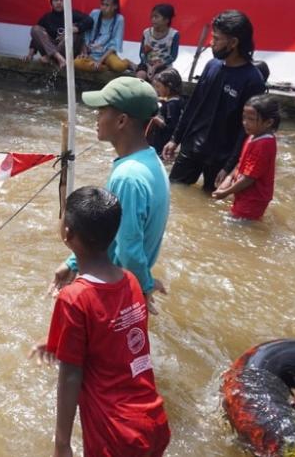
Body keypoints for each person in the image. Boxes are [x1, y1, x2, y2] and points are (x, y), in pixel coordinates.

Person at [32, 186, 171, 457]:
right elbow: (115, 336)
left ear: (67, 233)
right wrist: (54, 343)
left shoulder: (74, 298)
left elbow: (71, 375)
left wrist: (62, 444)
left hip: (115, 434)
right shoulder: (130, 280)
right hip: (152, 420)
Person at [51, 77, 170, 314]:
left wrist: (144, 288)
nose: (96, 118)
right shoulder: (149, 160)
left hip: (115, 291)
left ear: (122, 120)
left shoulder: (128, 177)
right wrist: (73, 263)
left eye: (102, 111)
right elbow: (111, 233)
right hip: (124, 282)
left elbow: (129, 247)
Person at [162, 10, 266, 192]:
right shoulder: (212, 66)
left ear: (233, 43)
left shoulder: (253, 80)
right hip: (192, 146)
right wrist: (175, 139)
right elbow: (193, 106)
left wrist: (230, 166)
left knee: (210, 200)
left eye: (217, 39)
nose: (211, 43)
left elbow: (246, 129)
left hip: (221, 157)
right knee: (174, 191)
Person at [211, 95, 279, 220]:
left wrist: (226, 192)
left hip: (254, 198)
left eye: (251, 119)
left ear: (268, 122)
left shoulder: (263, 145)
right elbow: (241, 162)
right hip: (245, 192)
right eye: (244, 118)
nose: (245, 123)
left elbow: (249, 178)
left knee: (236, 225)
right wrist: (229, 177)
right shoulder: (253, 135)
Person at [25, 0, 93, 68]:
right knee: (35, 29)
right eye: (56, 0)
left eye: (61, 0)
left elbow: (90, 20)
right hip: (52, 48)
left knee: (73, 33)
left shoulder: (72, 14)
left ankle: (51, 58)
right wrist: (30, 55)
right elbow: (36, 39)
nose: (59, 3)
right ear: (51, 2)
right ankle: (57, 57)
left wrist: (76, 28)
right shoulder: (46, 18)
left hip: (66, 50)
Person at [75, 0, 130, 73]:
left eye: (107, 5)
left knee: (118, 66)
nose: (103, 7)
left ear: (115, 6)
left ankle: (128, 62)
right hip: (92, 54)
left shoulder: (119, 19)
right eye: (102, 4)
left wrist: (100, 61)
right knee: (76, 63)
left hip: (108, 55)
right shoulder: (94, 13)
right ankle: (103, 68)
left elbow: (114, 45)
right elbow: (85, 35)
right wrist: (85, 53)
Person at [135, 4, 179, 81]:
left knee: (158, 79)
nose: (153, 19)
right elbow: (142, 53)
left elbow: (173, 56)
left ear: (166, 20)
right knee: (140, 75)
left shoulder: (174, 35)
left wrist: (156, 67)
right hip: (147, 64)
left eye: (156, 17)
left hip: (164, 66)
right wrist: (148, 66)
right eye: (152, 17)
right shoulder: (146, 33)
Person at [146, 69, 185, 156]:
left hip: (163, 144)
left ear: (168, 87)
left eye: (159, 87)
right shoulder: (179, 100)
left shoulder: (171, 105)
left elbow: (172, 127)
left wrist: (158, 121)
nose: (157, 90)